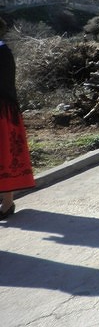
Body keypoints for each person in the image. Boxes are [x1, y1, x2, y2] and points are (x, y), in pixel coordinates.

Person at [0, 17, 35, 220]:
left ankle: (7, 202)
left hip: (3, 111)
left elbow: (4, 84)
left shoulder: (3, 52)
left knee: (4, 154)